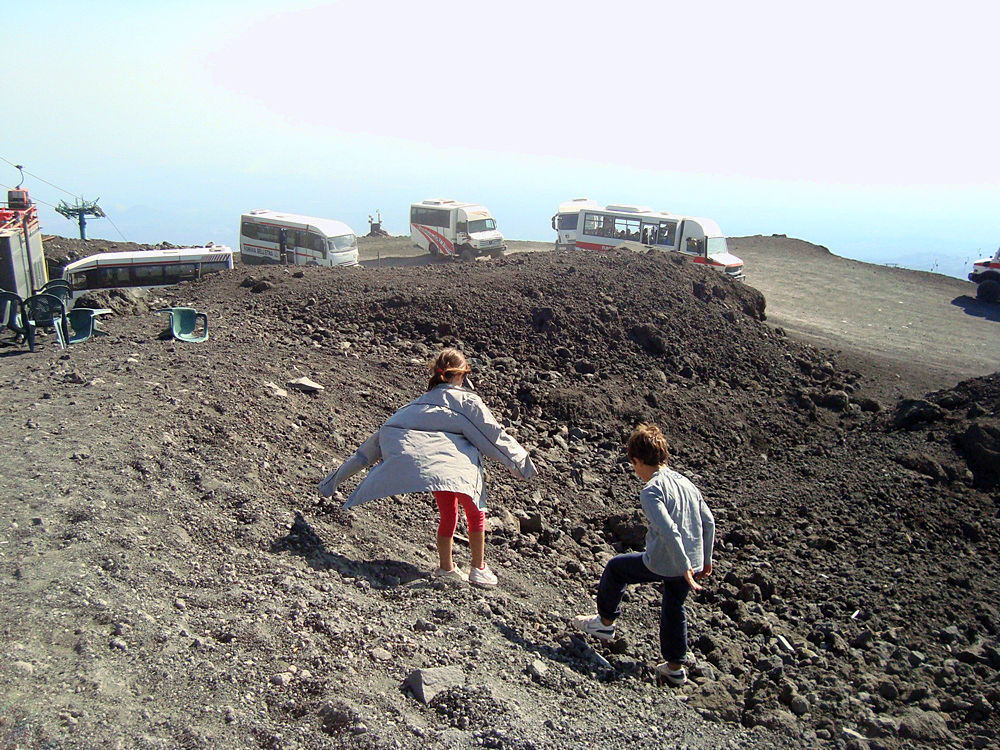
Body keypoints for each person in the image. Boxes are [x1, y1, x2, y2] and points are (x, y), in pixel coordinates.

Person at [319, 348, 536, 587]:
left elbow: (368, 449)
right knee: (476, 515)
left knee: (448, 515)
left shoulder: (416, 405)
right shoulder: (467, 401)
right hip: (462, 470)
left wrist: (332, 482)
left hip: (434, 472)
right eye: (464, 375)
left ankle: (446, 568)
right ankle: (478, 569)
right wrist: (520, 463)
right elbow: (493, 435)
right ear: (459, 375)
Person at [572, 423, 715, 685]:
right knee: (674, 605)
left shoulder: (651, 490)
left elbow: (668, 530)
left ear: (637, 461)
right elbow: (709, 521)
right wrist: (704, 560)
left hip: (667, 561)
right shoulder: (686, 482)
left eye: (633, 465)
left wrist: (682, 565)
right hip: (692, 562)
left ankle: (605, 622)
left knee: (617, 568)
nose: (635, 471)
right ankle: (674, 668)